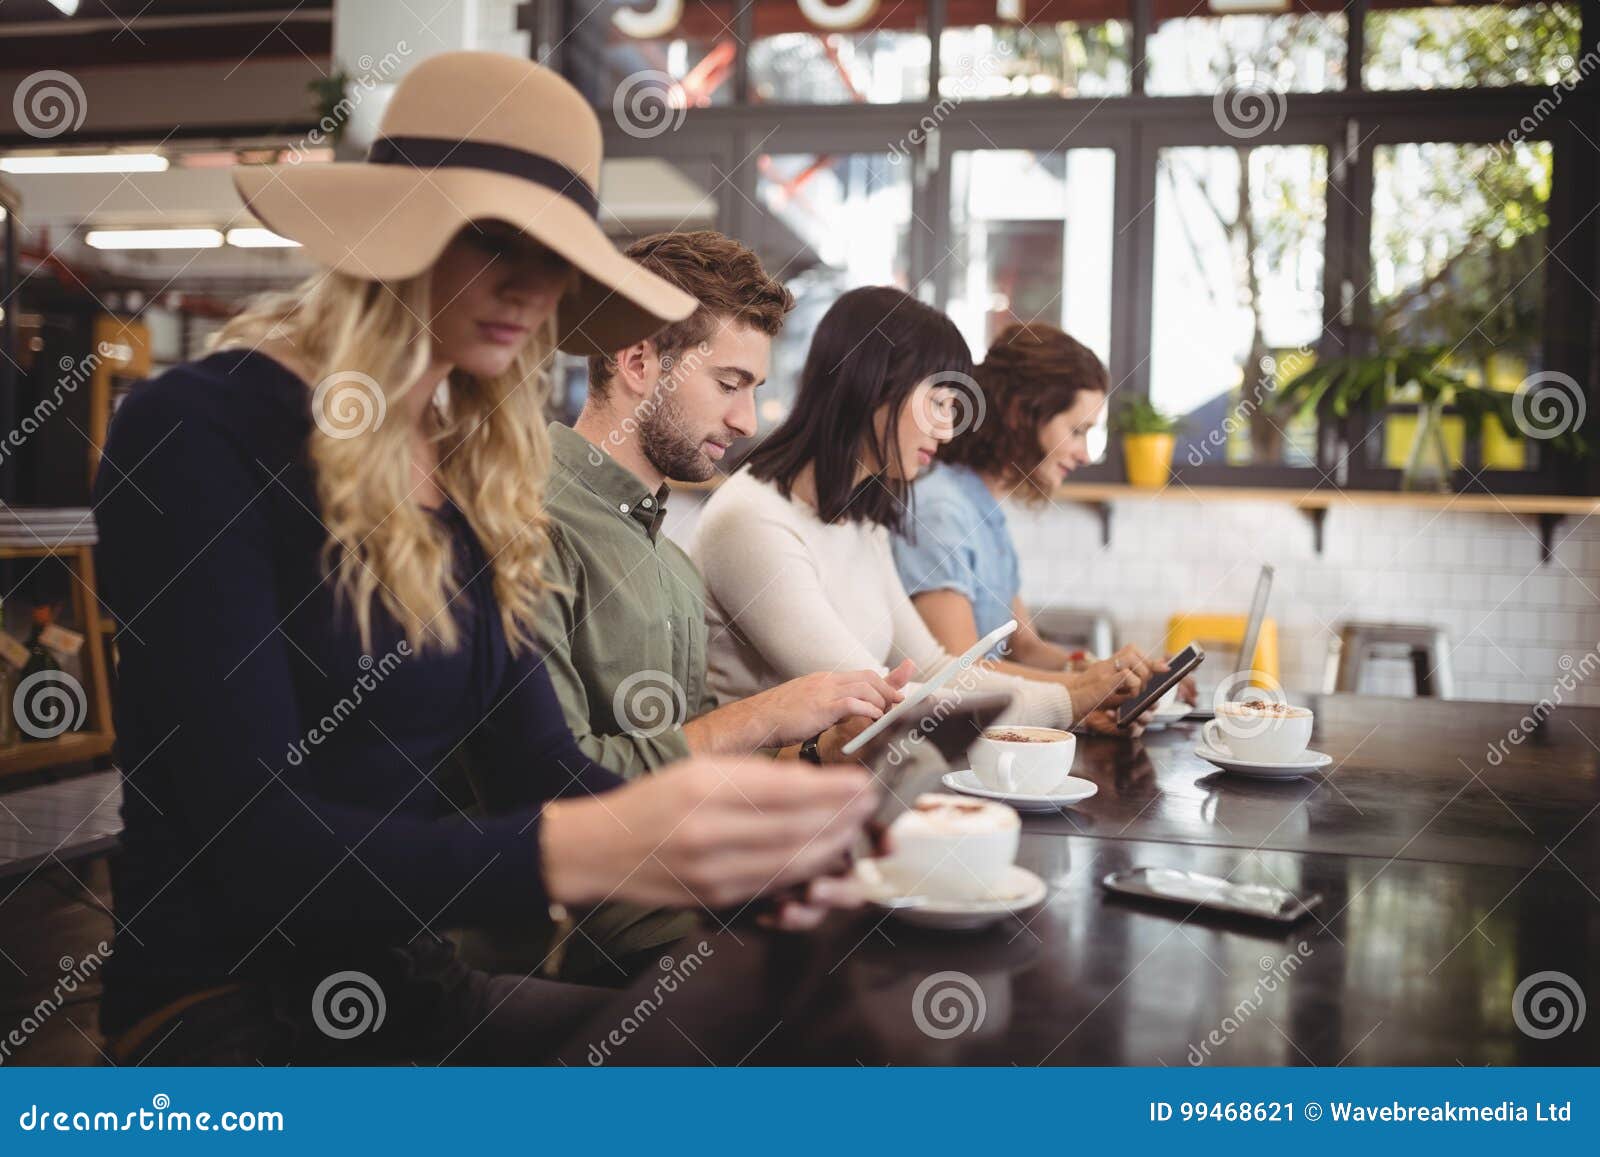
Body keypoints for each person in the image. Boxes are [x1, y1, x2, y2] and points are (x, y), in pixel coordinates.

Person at [91, 52, 872, 1066]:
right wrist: (603, 845)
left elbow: (540, 768)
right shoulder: (197, 430)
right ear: (396, 226)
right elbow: (250, 841)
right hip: (227, 1012)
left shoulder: (461, 485)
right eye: (494, 238)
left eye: (558, 260)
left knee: (793, 1034)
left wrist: (750, 844)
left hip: (410, 988)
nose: (530, 287)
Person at [468, 229, 906, 982]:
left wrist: (812, 753)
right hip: (592, 937)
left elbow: (691, 744)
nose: (748, 421)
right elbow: (555, 786)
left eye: (756, 391)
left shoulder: (669, 557)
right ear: (638, 362)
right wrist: (768, 714)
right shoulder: (525, 519)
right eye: (730, 383)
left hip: (690, 891)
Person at [690, 286, 1147, 733]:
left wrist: (1080, 702)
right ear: (874, 386)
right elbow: (877, 701)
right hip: (760, 798)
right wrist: (1067, 700)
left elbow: (933, 667)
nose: (948, 431)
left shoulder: (860, 515)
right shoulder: (752, 520)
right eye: (939, 403)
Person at [891, 323, 1191, 718]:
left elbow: (1026, 647)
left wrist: (1102, 669)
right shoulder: (941, 508)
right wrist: (1089, 688)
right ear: (1021, 414)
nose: (1084, 455)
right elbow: (958, 672)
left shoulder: (985, 508)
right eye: (1078, 431)